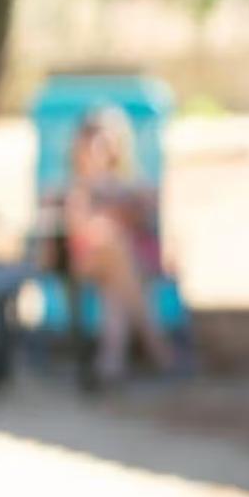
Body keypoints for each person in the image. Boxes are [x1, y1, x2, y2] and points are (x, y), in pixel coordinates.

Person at [61, 106, 175, 384]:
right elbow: (78, 228)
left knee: (115, 291)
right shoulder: (78, 186)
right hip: (91, 259)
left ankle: (110, 362)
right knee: (112, 245)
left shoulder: (130, 183)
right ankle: (156, 346)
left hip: (126, 264)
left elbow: (149, 217)